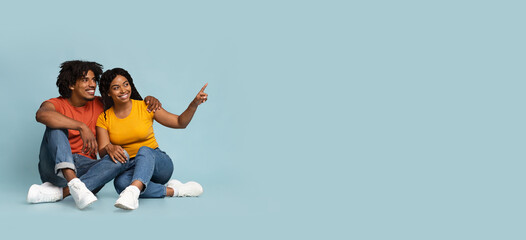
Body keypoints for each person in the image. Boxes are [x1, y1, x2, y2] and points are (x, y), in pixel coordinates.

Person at [27, 60, 162, 209]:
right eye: (85, 80)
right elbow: (42, 114)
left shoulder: (101, 103)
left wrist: (148, 100)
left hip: (88, 173)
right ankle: (73, 183)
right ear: (72, 85)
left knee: (122, 156)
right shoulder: (57, 104)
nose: (92, 85)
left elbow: (125, 100)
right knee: (56, 127)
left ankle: (62, 193)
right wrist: (81, 126)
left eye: (93, 80)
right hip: (55, 170)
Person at [96, 67, 206, 210]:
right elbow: (103, 151)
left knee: (144, 151)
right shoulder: (104, 118)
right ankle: (176, 191)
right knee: (120, 184)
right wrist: (108, 147)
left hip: (158, 163)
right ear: (108, 93)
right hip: (132, 166)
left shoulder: (146, 106)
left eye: (126, 84)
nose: (123, 90)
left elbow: (180, 122)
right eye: (116, 88)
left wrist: (194, 104)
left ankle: (133, 192)